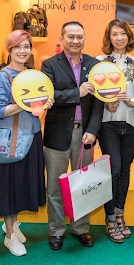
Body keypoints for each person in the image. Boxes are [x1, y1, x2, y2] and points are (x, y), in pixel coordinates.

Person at [40, 21, 104, 250]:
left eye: (80, 37)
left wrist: (93, 130)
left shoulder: (94, 65)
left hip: (85, 134)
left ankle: (80, 228)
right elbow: (48, 96)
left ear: (84, 39)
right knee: (54, 186)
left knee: (82, 184)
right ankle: (56, 230)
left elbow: (98, 103)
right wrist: (78, 92)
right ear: (61, 39)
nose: (75, 41)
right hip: (57, 133)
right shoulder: (49, 65)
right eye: (71, 37)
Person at [0, 30, 52, 256]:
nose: (22, 51)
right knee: (10, 185)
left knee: (24, 183)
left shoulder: (32, 75)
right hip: (11, 140)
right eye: (17, 47)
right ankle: (9, 235)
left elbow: (36, 110)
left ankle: (13, 225)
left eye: (26, 46)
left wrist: (44, 103)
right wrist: (25, 103)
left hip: (32, 135)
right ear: (9, 49)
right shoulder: (2, 76)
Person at [96, 19, 134, 243]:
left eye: (123, 33)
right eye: (114, 34)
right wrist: (105, 103)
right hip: (108, 124)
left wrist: (133, 101)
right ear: (109, 37)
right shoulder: (99, 63)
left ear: (128, 36)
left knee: (125, 170)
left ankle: (120, 213)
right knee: (113, 170)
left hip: (131, 123)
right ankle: (110, 216)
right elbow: (93, 93)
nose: (119, 38)